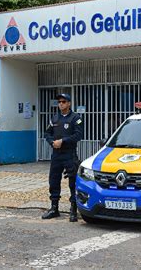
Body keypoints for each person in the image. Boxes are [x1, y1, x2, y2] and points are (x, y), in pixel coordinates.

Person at [42, 93, 83, 222]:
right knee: (53, 180)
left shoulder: (76, 118)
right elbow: (47, 133)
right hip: (56, 154)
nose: (61, 104)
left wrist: (63, 141)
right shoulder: (54, 118)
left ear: (69, 103)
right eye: (59, 101)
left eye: (64, 101)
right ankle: (54, 208)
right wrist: (51, 142)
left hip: (69, 154)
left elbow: (78, 135)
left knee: (72, 181)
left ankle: (73, 209)